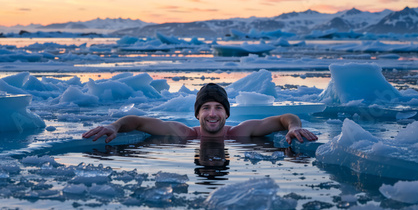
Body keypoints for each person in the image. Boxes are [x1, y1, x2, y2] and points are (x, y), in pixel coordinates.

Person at [82, 83, 318, 144]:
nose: (212, 113)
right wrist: (114, 126)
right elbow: (138, 121)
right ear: (197, 114)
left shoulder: (240, 132)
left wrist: (293, 127)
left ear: (226, 113)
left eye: (218, 107)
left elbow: (283, 118)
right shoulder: (184, 133)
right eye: (206, 108)